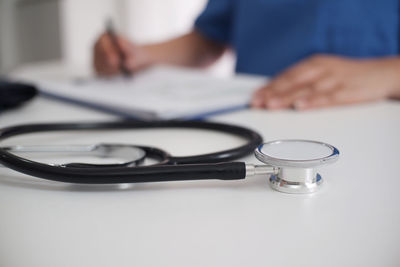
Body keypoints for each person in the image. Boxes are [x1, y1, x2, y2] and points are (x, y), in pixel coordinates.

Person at [94, 0, 400, 110]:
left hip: (380, 130)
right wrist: (138, 55)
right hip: (259, 114)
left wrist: (389, 73)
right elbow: (208, 40)